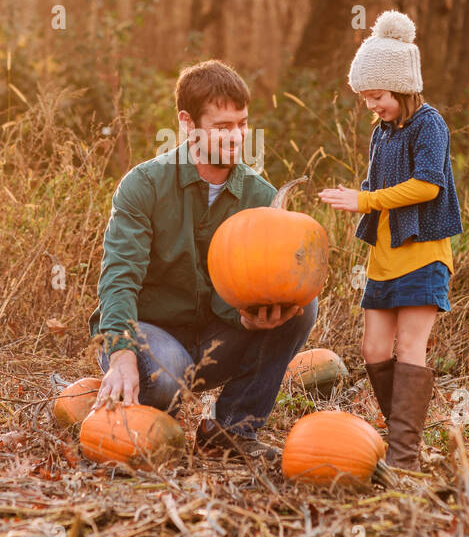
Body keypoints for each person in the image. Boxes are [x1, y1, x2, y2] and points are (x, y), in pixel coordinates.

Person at [88, 60, 318, 462]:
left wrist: (250, 318)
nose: (237, 137)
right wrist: (122, 350)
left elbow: (257, 283)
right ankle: (124, 389)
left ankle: (232, 430)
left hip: (215, 339)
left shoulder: (259, 198)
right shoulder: (144, 186)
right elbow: (118, 278)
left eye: (243, 124)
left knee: (301, 308)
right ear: (187, 122)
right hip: (149, 333)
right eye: (223, 127)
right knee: (166, 379)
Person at [318, 11, 462, 471]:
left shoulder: (429, 125)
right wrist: (357, 199)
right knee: (374, 351)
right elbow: (376, 191)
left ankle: (404, 457)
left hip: (423, 256)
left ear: (401, 86)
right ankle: (402, 432)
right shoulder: (381, 133)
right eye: (364, 98)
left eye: (377, 96)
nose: (371, 106)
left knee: (409, 347)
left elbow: (428, 185)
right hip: (385, 257)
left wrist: (365, 201)